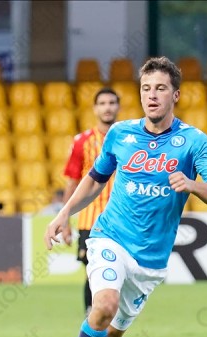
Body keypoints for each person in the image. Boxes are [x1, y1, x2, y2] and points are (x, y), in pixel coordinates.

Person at [44, 56, 207, 337]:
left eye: (160, 88)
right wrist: (64, 213)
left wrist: (192, 185)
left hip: (150, 260)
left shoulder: (194, 142)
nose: (152, 95)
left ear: (176, 95)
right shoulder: (121, 134)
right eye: (146, 89)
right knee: (103, 305)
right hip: (109, 237)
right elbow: (95, 179)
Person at [62, 88, 120, 315]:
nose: (107, 107)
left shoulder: (129, 139)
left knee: (121, 274)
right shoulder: (82, 142)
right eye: (102, 103)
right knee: (94, 273)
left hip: (122, 219)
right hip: (91, 220)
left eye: (112, 102)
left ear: (118, 107)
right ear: (95, 108)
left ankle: (114, 321)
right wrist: (65, 220)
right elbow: (72, 183)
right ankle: (92, 318)